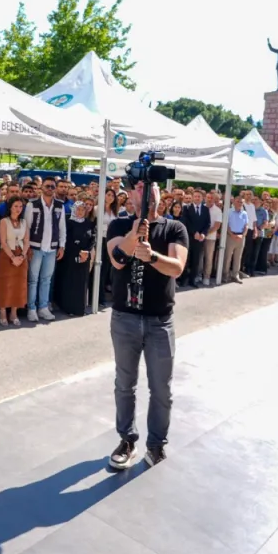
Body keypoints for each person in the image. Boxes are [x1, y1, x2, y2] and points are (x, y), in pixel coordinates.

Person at [104, 181, 188, 469]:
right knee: (124, 384)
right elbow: (117, 260)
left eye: (151, 186)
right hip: (124, 318)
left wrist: (152, 256)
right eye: (140, 186)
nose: (146, 191)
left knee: (161, 387)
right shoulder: (118, 225)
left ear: (160, 193)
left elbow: (177, 267)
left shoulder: (174, 228)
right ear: (131, 194)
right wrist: (134, 234)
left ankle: (156, 444)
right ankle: (127, 440)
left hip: (160, 320)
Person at [23, 177, 65, 322]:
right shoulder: (32, 204)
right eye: (47, 186)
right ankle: (31, 308)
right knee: (33, 279)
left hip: (51, 248)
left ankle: (43, 308)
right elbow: (27, 227)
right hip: (35, 247)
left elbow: (62, 227)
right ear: (42, 188)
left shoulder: (59, 205)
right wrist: (27, 247)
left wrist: (62, 246)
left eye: (52, 186)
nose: (50, 189)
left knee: (46, 279)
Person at [55, 197, 95, 316]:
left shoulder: (88, 223)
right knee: (70, 282)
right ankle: (68, 308)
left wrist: (86, 251)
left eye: (83, 210)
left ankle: (80, 308)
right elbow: (65, 238)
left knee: (81, 282)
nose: (80, 212)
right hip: (70, 256)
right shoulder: (69, 222)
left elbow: (92, 238)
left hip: (84, 256)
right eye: (78, 209)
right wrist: (77, 251)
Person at [0, 197, 29, 326]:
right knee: (4, 283)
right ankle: (3, 311)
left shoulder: (24, 222)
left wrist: (22, 255)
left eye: (20, 206)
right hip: (7, 254)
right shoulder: (4, 221)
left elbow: (26, 240)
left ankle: (14, 312)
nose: (18, 209)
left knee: (19, 284)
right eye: (15, 206)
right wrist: (12, 257)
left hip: (20, 254)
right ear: (10, 207)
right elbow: (3, 241)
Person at [180, 189, 210, 288]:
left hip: (199, 239)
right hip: (188, 237)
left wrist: (203, 234)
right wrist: (194, 232)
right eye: (195, 196)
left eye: (199, 196)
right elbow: (185, 221)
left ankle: (192, 280)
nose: (197, 198)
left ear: (202, 198)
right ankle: (183, 279)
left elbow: (208, 223)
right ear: (193, 197)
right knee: (186, 259)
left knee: (196, 260)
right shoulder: (186, 208)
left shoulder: (206, 209)